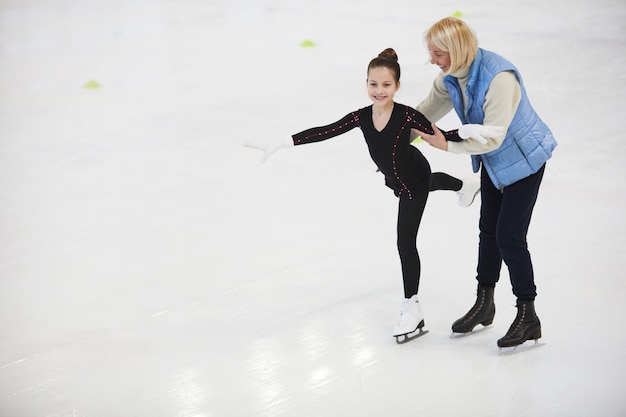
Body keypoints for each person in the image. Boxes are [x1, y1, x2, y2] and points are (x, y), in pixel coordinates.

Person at [245, 48, 500, 342]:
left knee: (405, 241)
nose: (379, 91)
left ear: (397, 86)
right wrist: (284, 141)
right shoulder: (362, 116)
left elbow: (438, 135)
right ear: (366, 83)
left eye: (386, 85)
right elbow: (326, 130)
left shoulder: (406, 116)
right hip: (395, 178)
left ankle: (411, 306)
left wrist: (467, 132)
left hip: (413, 177)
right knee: (431, 183)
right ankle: (465, 186)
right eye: (373, 84)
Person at [412, 17, 557, 348]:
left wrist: (445, 144)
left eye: (437, 53)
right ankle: (485, 304)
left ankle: (528, 315)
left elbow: (493, 137)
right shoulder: (450, 77)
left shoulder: (498, 78)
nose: (432, 60)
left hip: (524, 161)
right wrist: (394, 147)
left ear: (456, 50)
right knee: (488, 232)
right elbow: (423, 115)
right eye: (431, 52)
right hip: (494, 163)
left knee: (510, 237)